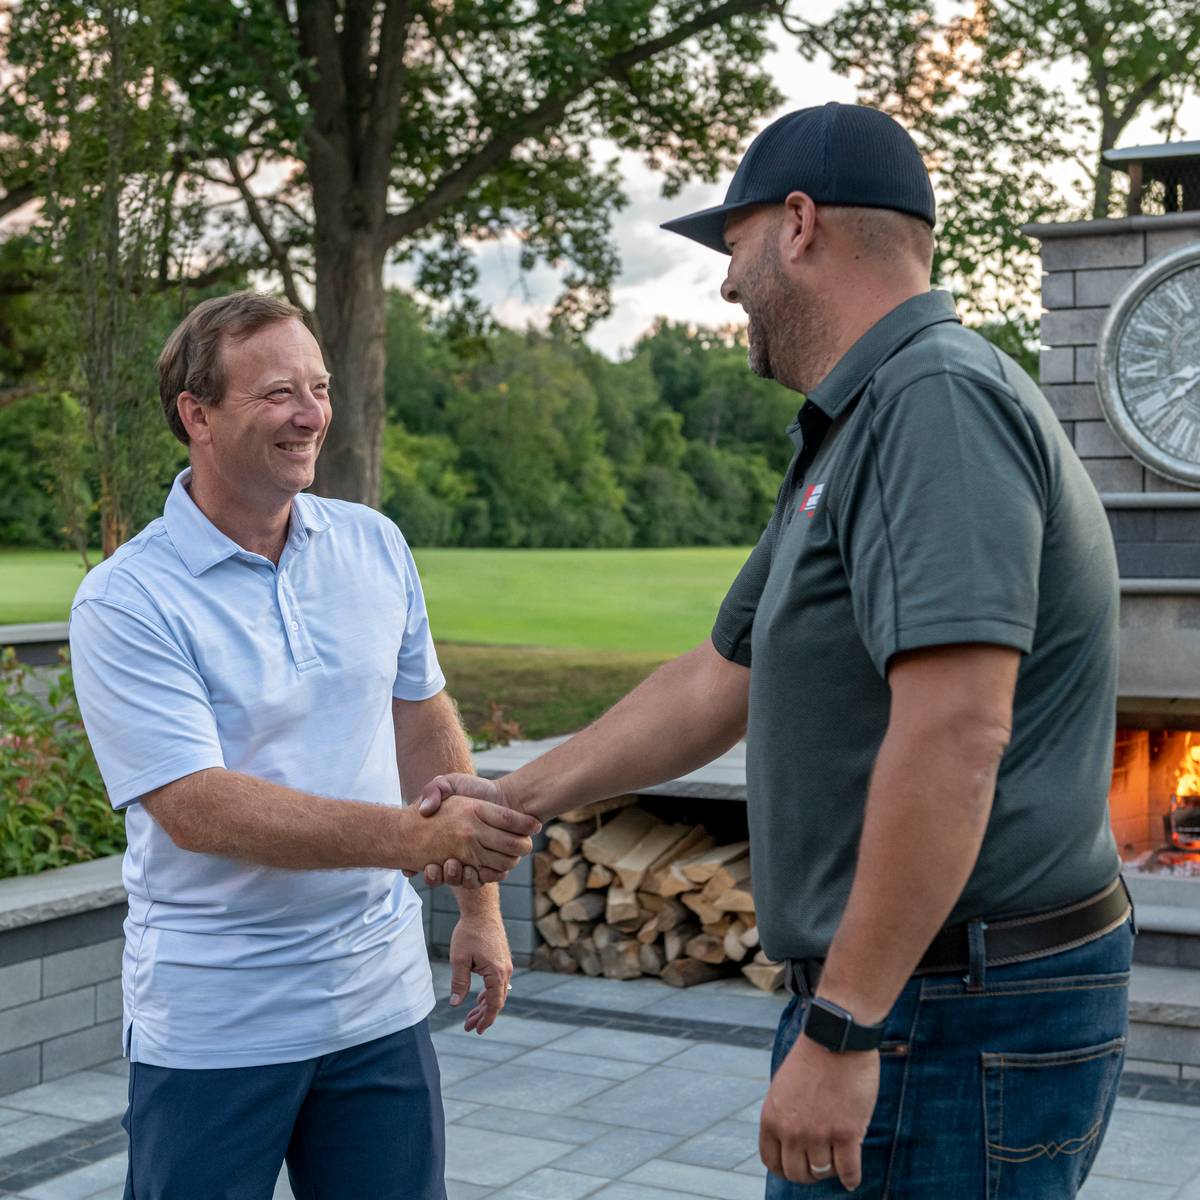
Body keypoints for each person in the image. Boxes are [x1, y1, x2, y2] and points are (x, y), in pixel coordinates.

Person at [415, 103, 1133, 1199]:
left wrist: (846, 1027)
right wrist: (518, 795)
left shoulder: (933, 403)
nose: (727, 282)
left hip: (941, 1016)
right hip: (923, 1001)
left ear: (799, 225)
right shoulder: (860, 423)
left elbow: (956, 733)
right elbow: (719, 679)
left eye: (734, 243)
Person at [68, 293, 539, 1200]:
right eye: (279, 391)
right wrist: (415, 841)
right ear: (195, 416)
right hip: (217, 1024)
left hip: (378, 1004)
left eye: (319, 387)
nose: (312, 413)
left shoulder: (374, 545)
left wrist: (476, 909)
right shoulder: (128, 600)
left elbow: (423, 722)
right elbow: (196, 806)